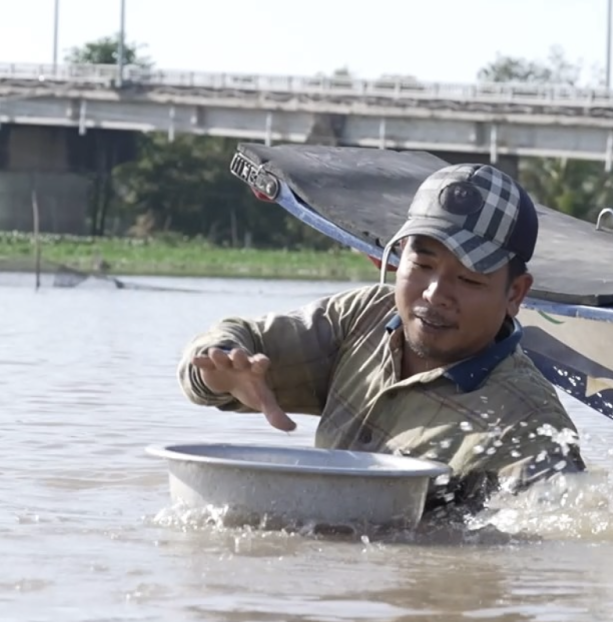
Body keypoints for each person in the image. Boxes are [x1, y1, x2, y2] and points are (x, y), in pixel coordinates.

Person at [176, 162, 584, 514]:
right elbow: (232, 340)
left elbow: (539, 548)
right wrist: (220, 373)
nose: (434, 294)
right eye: (422, 263)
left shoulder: (528, 425)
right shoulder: (365, 316)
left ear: (515, 293)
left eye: (467, 279)